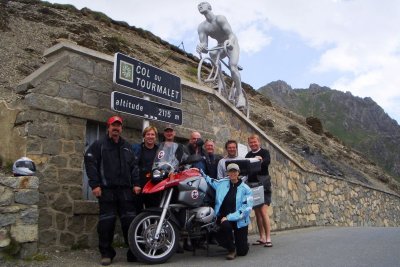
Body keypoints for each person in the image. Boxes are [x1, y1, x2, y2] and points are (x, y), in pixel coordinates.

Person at [84, 115, 139, 265]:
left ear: (121, 128)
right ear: (108, 127)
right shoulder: (99, 145)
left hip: (126, 192)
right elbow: (90, 163)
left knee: (130, 222)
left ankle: (133, 252)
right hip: (107, 191)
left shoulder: (127, 146)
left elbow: (134, 167)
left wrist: (136, 184)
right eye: (113, 125)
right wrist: (95, 185)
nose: (116, 128)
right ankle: (106, 253)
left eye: (118, 126)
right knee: (106, 224)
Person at [196, 1, 246, 109]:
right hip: (220, 45)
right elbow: (205, 47)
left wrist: (230, 42)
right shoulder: (202, 27)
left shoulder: (220, 19)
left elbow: (231, 34)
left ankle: (240, 95)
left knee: (232, 67)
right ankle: (220, 82)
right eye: (198, 6)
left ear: (209, 7)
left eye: (202, 4)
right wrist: (201, 47)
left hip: (231, 43)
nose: (200, 6)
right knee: (212, 53)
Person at [201, 163, 253, 260]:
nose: (232, 173)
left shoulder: (246, 189)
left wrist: (229, 217)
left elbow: (246, 210)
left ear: (238, 172)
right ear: (227, 173)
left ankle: (241, 244)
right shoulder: (221, 183)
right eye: (230, 171)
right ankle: (231, 249)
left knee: (242, 252)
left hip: (239, 220)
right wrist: (200, 172)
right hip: (223, 219)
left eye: (235, 171)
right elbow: (210, 181)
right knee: (221, 227)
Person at [245, 134, 273, 248]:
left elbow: (267, 162)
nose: (253, 144)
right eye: (251, 143)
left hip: (264, 185)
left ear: (259, 142)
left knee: (263, 211)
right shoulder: (248, 155)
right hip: (253, 186)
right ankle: (261, 237)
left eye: (255, 142)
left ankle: (268, 238)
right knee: (257, 213)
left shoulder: (265, 152)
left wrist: (260, 160)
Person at [132, 126, 159, 209]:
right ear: (144, 136)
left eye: (152, 134)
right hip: (140, 185)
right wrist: (136, 184)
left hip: (154, 186)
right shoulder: (137, 149)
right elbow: (133, 166)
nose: (150, 136)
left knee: (153, 211)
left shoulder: (159, 151)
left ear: (155, 137)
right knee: (137, 213)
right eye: (148, 134)